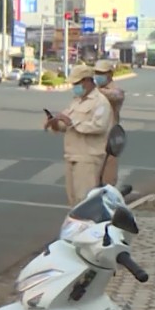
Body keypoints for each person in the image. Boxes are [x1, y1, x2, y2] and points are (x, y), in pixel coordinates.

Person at [44, 65, 113, 206]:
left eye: (77, 83)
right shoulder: (77, 101)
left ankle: (86, 228)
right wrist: (54, 123)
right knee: (73, 201)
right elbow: (65, 124)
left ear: (87, 81)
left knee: (85, 202)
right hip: (71, 155)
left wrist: (72, 122)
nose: (74, 87)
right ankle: (76, 227)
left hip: (88, 158)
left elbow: (99, 126)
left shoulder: (100, 102)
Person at [94, 59, 125, 185]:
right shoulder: (94, 90)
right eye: (96, 72)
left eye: (101, 73)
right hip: (94, 134)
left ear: (110, 74)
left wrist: (94, 91)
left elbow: (116, 95)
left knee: (108, 175)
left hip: (109, 136)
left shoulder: (115, 91)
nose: (98, 76)